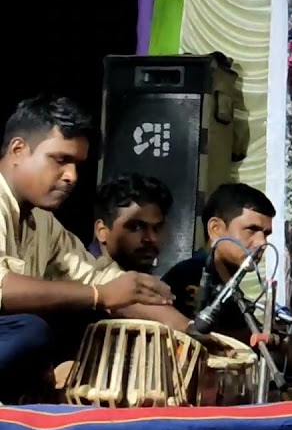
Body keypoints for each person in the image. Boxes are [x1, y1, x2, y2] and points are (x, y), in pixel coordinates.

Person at [0, 95, 189, 403]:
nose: (72, 176)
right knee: (30, 331)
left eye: (77, 165)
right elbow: (3, 286)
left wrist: (185, 329)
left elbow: (101, 279)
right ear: (18, 149)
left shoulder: (44, 223)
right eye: (60, 160)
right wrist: (98, 295)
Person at [162, 182, 276, 340]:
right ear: (215, 229)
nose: (262, 242)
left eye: (266, 234)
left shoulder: (233, 290)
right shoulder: (189, 276)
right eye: (252, 230)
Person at [91, 173, 172, 273]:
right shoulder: (77, 276)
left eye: (157, 228)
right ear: (102, 231)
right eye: (136, 227)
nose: (152, 238)